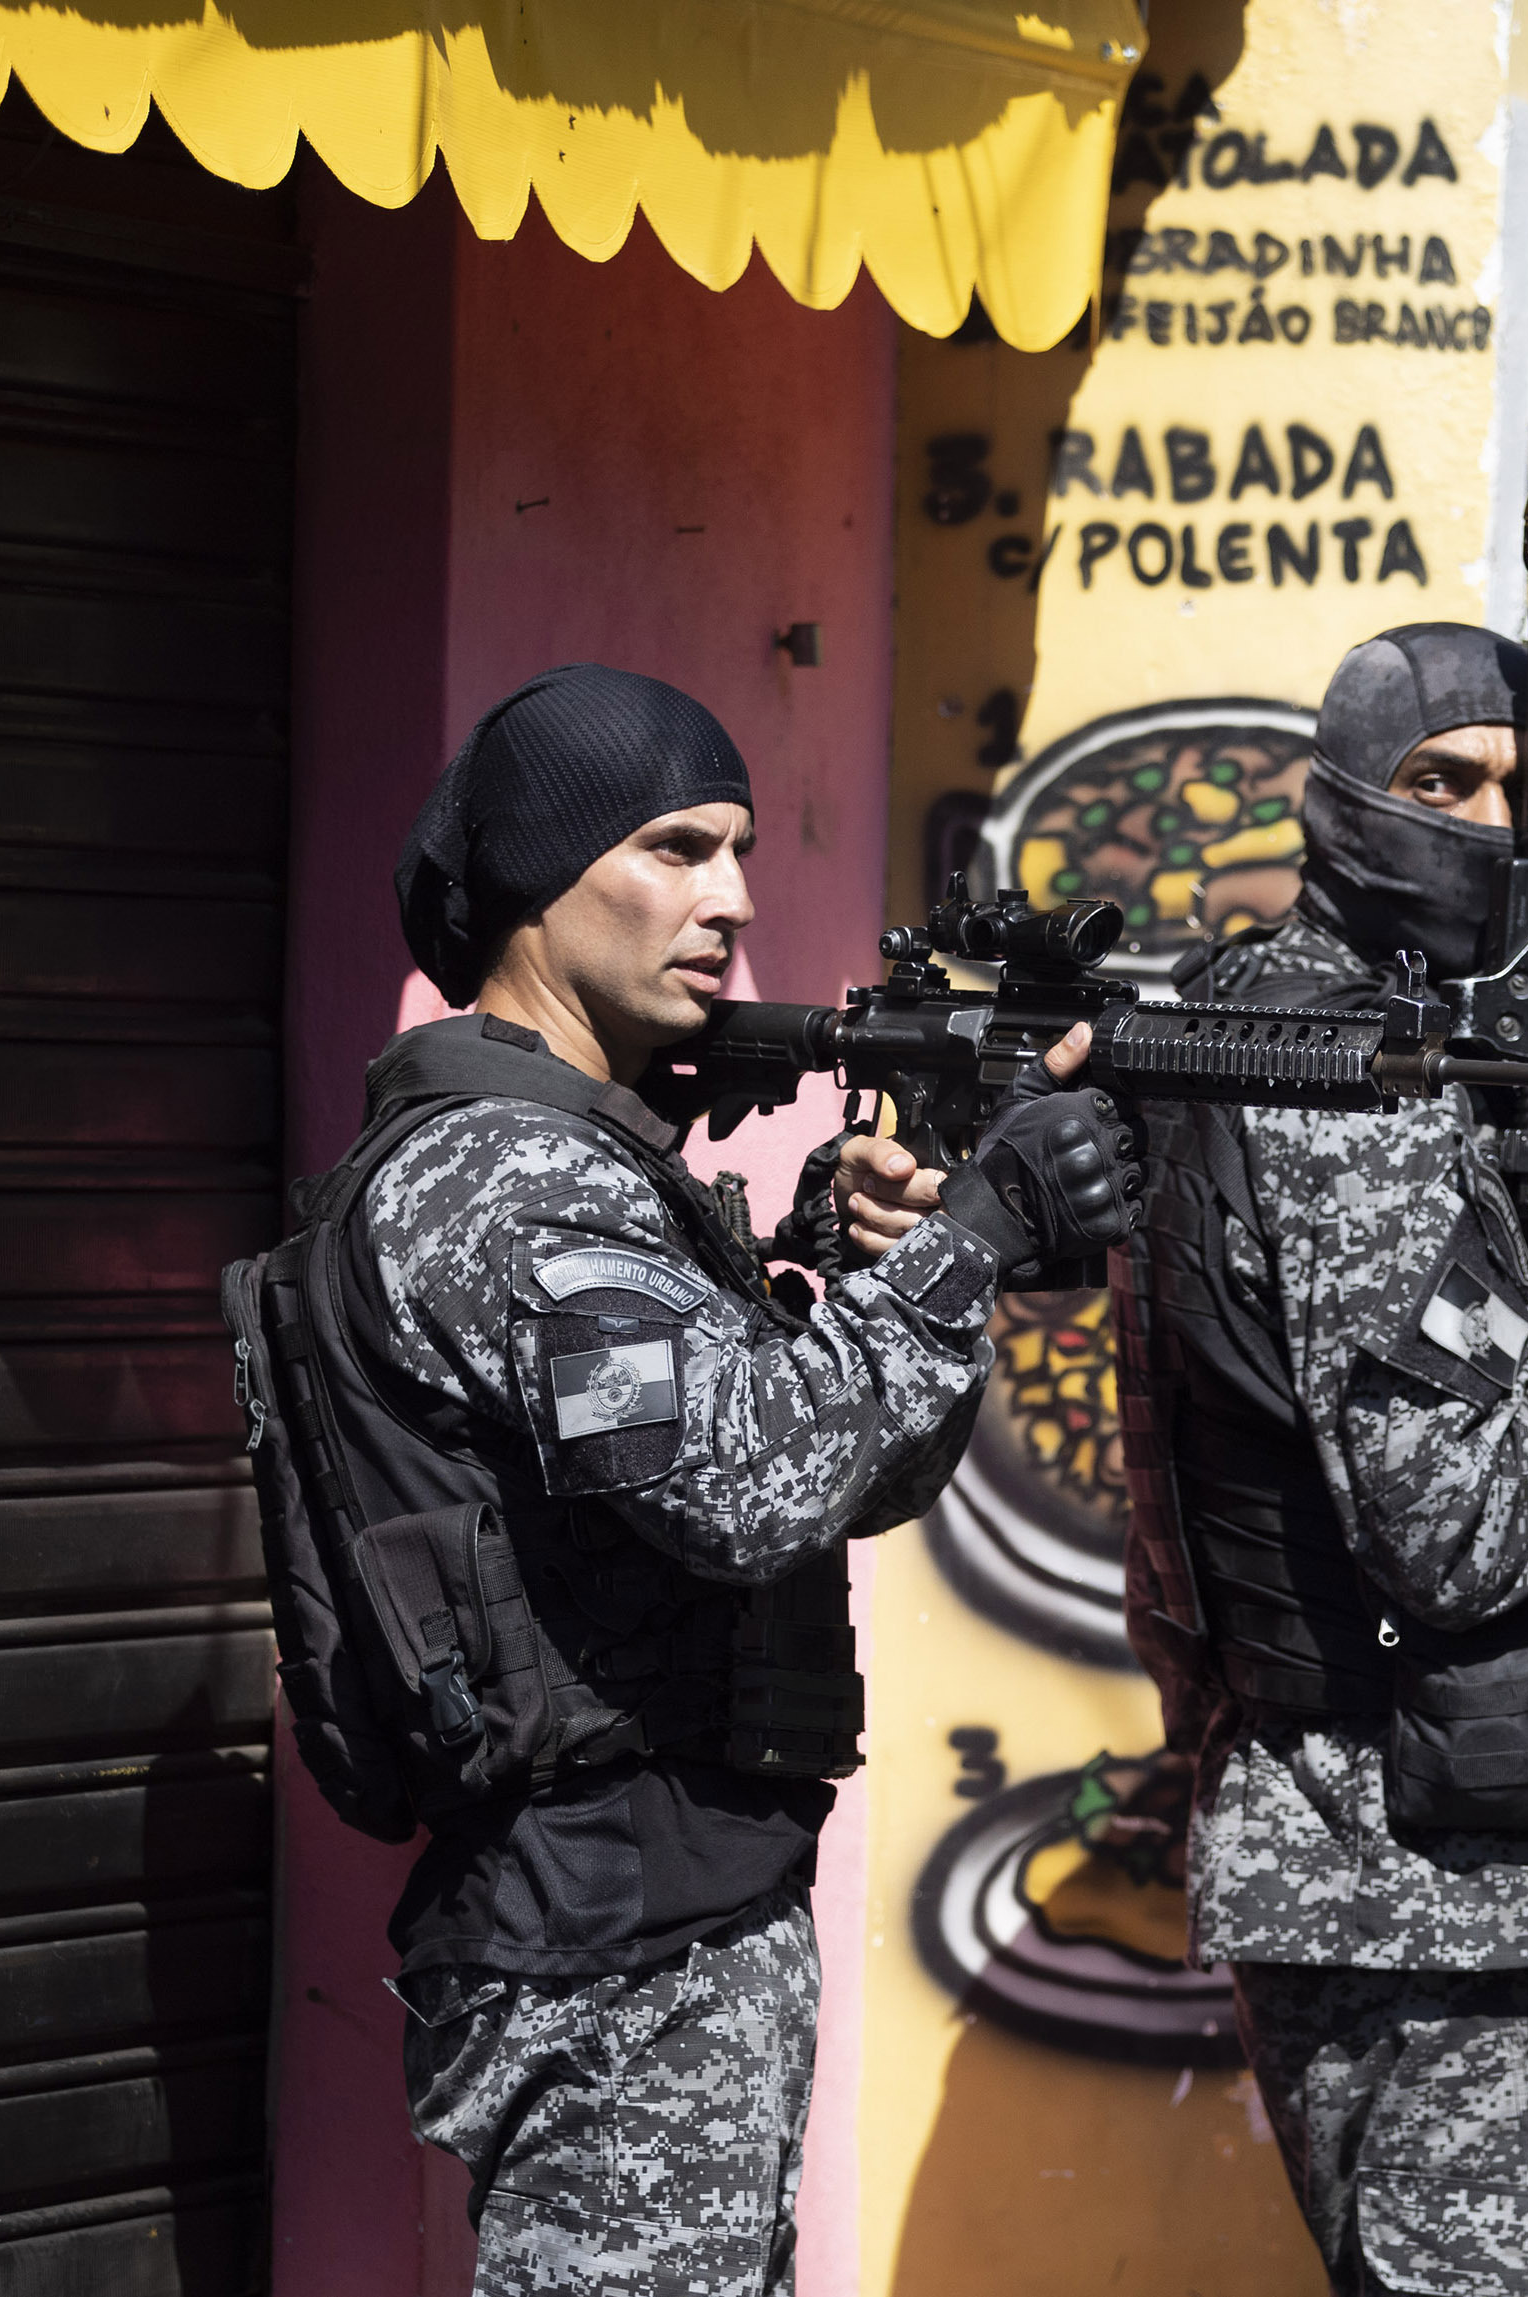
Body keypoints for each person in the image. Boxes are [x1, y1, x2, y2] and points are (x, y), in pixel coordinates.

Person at [300, 665, 1141, 2295]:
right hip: (607, 1951)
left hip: (667, 1923)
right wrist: (977, 1235)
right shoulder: (512, 1179)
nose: (736, 897)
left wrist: (873, 1264)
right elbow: (748, 1491)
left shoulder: (592, 1162)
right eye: (676, 847)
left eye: (742, 847)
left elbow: (825, 1476)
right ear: (542, 886)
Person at [1085, 621, 1528, 2295]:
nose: (1478, 820)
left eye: (1522, 792)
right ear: (1339, 802)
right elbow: (1449, 1526)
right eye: (1434, 780)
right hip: (1466, 1915)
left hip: (1374, 1869)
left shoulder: (1266, 1027)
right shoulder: (1351, 1077)